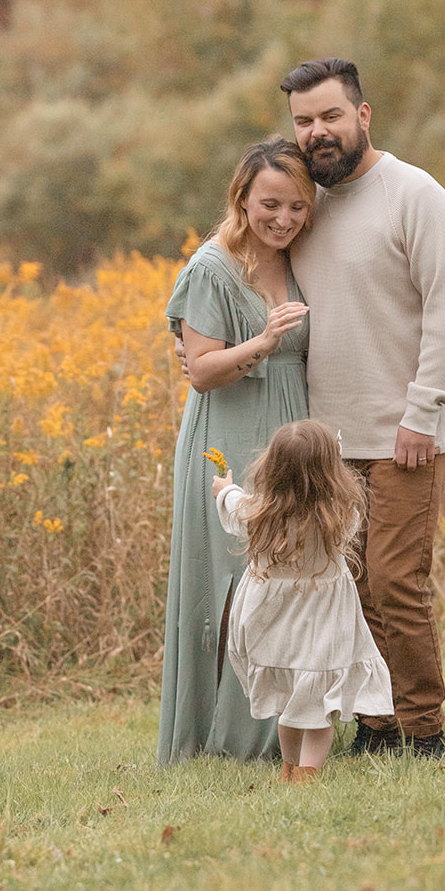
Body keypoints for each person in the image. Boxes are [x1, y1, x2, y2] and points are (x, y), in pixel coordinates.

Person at [281, 57, 445, 758]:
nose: (316, 132)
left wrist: (424, 413)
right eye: (303, 121)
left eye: (330, 116)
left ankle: (422, 730)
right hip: (328, 439)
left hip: (404, 432)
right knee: (351, 586)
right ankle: (377, 724)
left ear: (362, 116)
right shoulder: (305, 203)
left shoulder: (416, 195)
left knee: (396, 584)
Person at [157, 136, 315, 765]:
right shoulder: (211, 267)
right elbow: (200, 370)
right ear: (242, 199)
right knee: (229, 585)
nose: (284, 219)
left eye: (298, 207)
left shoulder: (301, 257)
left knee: (290, 581)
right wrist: (264, 342)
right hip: (227, 439)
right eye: (271, 204)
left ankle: (289, 732)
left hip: (290, 438)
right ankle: (220, 739)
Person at [211, 419, 394, 781]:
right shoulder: (340, 516)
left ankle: (289, 768)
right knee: (316, 707)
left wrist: (223, 488)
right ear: (331, 471)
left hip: (276, 632)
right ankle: (307, 774)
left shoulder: (258, 514)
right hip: (322, 633)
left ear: (272, 467)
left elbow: (232, 503)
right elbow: (350, 523)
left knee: (289, 707)